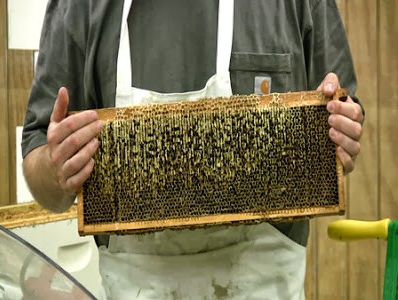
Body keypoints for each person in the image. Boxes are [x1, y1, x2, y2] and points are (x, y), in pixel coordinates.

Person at [21, 0, 364, 299]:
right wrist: (55, 170)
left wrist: (342, 132)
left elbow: (343, 127)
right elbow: (40, 169)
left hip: (265, 284)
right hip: (137, 287)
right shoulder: (78, 6)